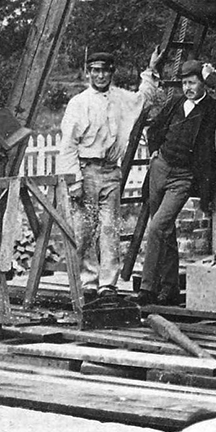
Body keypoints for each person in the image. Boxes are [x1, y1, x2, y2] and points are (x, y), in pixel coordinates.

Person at [139, 58, 216, 307]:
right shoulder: (176, 102)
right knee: (165, 230)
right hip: (161, 168)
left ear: (202, 83)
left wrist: (211, 76)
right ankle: (169, 290)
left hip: (183, 177)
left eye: (192, 82)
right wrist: (155, 152)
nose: (188, 87)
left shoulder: (212, 108)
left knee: (158, 226)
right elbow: (154, 128)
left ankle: (147, 288)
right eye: (184, 83)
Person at [58, 51, 148, 296]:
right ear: (89, 73)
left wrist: (150, 71)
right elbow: (67, 145)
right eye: (95, 71)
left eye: (105, 70)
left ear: (112, 73)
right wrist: (73, 181)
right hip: (86, 171)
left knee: (109, 229)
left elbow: (143, 98)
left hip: (110, 172)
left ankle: (108, 284)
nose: (100, 75)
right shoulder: (79, 103)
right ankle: (88, 281)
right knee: (85, 230)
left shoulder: (120, 98)